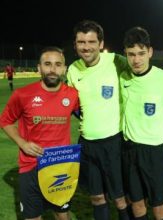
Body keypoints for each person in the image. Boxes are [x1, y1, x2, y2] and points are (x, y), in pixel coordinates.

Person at [0, 47, 79, 220]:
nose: (52, 69)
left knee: (62, 216)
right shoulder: (22, 94)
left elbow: (87, 116)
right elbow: (5, 121)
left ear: (64, 68)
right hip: (31, 166)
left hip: (60, 165)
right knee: (33, 217)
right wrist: (22, 143)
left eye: (58, 64)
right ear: (39, 68)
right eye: (47, 64)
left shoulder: (73, 95)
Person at [66, 20, 130, 220]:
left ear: (101, 44)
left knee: (120, 198)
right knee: (97, 198)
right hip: (87, 144)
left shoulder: (117, 61)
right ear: (75, 45)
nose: (86, 47)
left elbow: (142, 76)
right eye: (81, 42)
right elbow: (73, 103)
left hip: (114, 142)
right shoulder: (73, 69)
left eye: (91, 41)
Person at [120, 26, 163, 220]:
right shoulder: (123, 77)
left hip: (154, 151)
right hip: (129, 149)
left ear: (150, 52)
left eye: (141, 53)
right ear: (125, 54)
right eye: (131, 54)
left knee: (158, 202)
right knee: (136, 200)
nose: (136, 59)